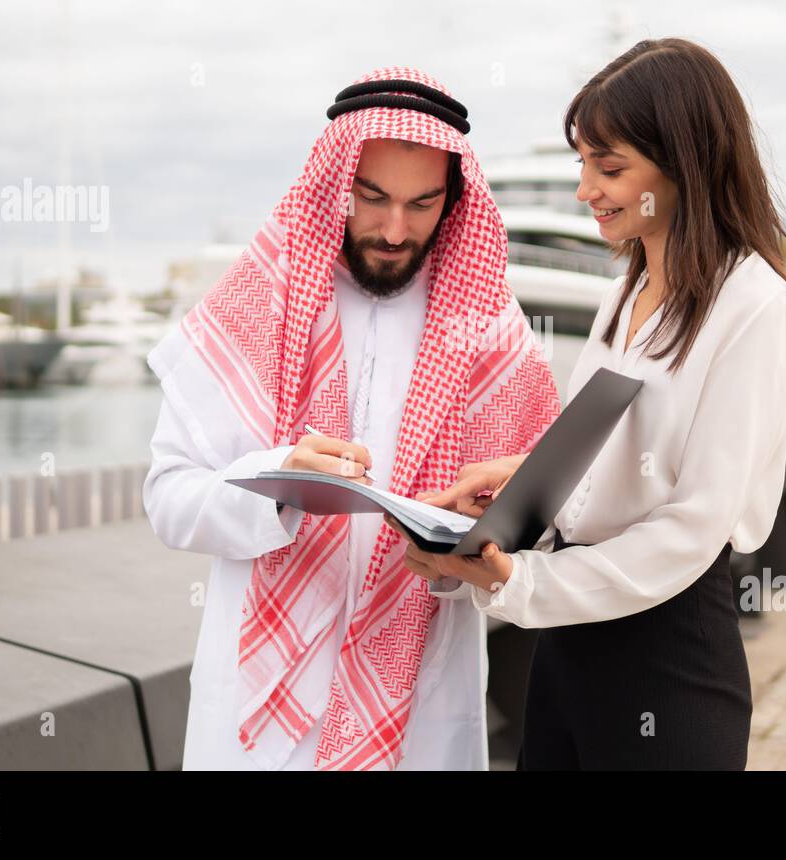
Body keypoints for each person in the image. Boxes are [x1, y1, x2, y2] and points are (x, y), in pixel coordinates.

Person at [389, 38, 786, 770]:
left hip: (669, 659)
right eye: (584, 163)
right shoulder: (626, 290)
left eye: (609, 167)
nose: (586, 189)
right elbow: (612, 457)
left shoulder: (756, 308)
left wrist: (522, 581)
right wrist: (511, 491)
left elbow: (694, 523)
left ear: (687, 161)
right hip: (566, 653)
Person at [143, 67, 560, 771]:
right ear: (335, 181)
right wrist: (274, 481)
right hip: (259, 716)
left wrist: (478, 534)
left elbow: (540, 526)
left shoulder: (494, 335)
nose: (395, 230)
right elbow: (168, 501)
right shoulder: (253, 307)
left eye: (422, 204)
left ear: (453, 202)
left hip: (420, 706)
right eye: (372, 199)